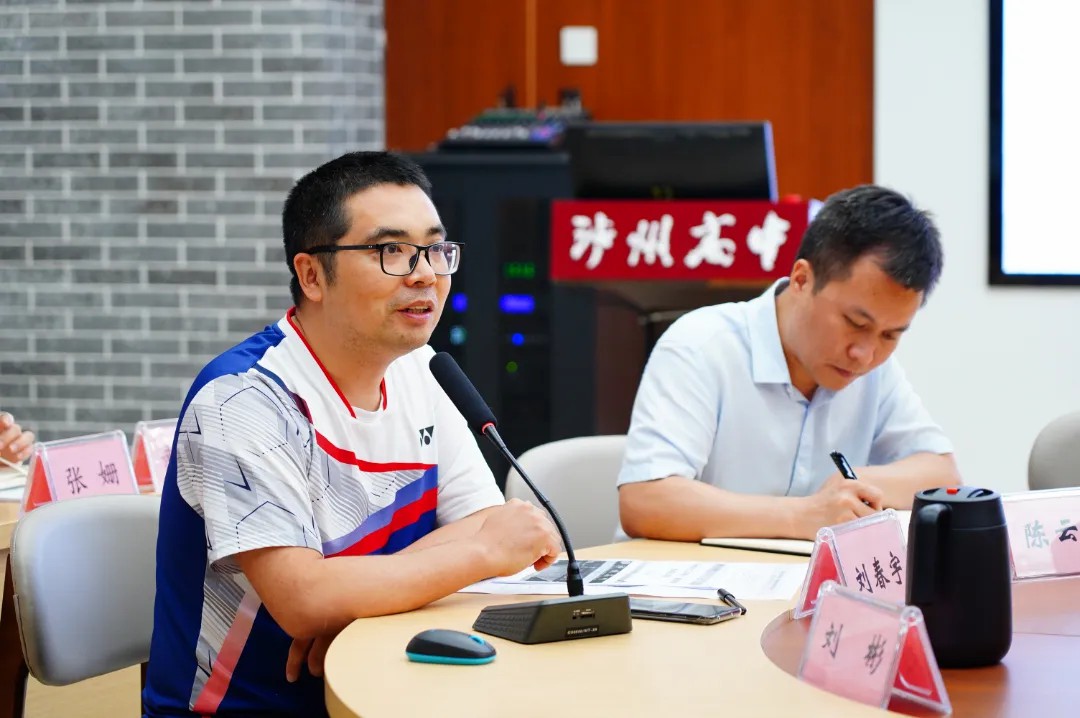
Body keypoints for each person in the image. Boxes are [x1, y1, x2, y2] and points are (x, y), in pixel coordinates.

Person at [144, 152, 562, 717]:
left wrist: (356, 601)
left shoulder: (423, 371)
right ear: (312, 275)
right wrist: (479, 554)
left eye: (435, 249)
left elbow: (481, 521)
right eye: (390, 251)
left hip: (384, 688)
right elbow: (304, 598)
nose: (425, 274)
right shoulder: (243, 398)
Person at [617, 185, 961, 542]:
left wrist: (852, 485)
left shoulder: (875, 369)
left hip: (795, 579)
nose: (865, 354)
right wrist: (803, 516)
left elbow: (942, 475)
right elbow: (645, 500)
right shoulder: (700, 346)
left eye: (890, 335)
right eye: (855, 323)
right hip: (682, 576)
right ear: (801, 279)